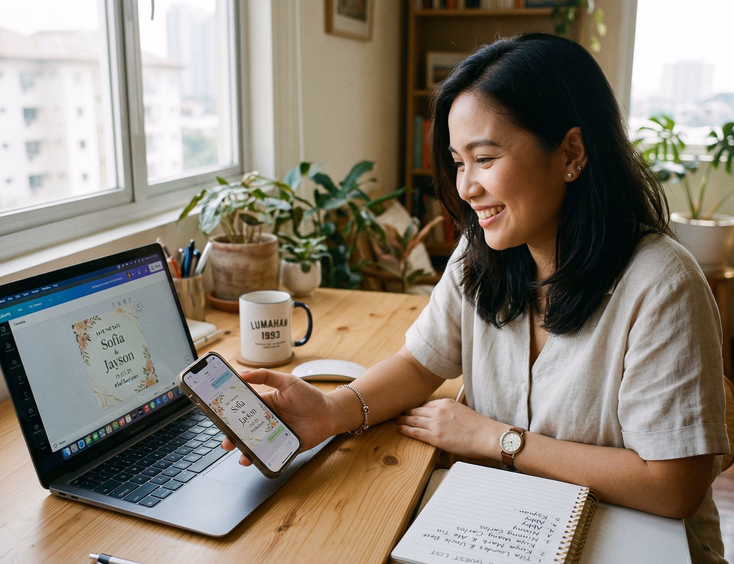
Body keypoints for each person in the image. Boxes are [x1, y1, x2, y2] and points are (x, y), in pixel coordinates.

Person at [222, 34, 729, 563]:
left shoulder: (662, 283)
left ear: (571, 153)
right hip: (509, 531)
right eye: (458, 162)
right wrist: (330, 410)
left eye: (484, 158)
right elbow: (421, 363)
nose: (465, 187)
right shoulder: (483, 250)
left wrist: (497, 440)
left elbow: (673, 488)